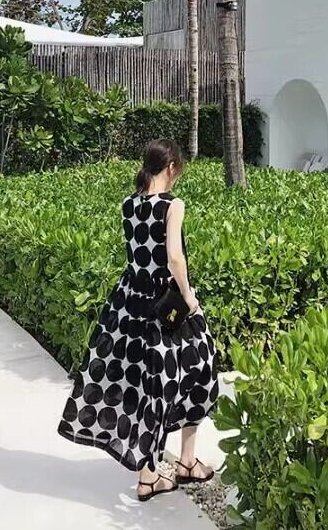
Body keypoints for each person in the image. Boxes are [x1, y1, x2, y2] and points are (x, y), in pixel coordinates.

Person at [57, 138, 219, 501]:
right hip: (166, 304)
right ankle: (179, 464)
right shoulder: (172, 205)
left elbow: (139, 254)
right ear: (172, 167)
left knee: (146, 384)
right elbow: (174, 258)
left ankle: (158, 473)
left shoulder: (129, 204)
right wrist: (189, 297)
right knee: (200, 368)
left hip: (130, 303)